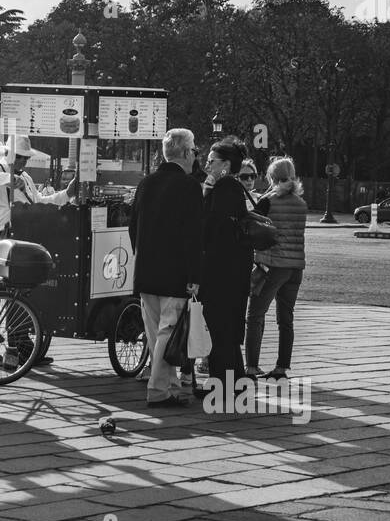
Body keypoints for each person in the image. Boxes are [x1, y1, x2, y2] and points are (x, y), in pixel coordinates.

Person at [0, 135, 76, 368]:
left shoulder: (26, 178)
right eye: (18, 157)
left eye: (24, 158)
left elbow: (39, 202)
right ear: (8, 154)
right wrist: (9, 179)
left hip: (16, 240)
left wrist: (66, 195)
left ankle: (22, 347)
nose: (21, 162)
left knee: (19, 295)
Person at [128, 128, 204, 407]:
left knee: (156, 334)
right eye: (195, 151)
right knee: (169, 333)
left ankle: (170, 387)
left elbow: (132, 226)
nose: (196, 156)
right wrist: (195, 275)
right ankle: (158, 390)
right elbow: (195, 236)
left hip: (146, 270)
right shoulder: (189, 186)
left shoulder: (146, 183)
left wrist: (144, 255)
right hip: (176, 272)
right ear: (185, 153)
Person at [199, 136, 255, 393]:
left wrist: (206, 192)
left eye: (212, 161)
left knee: (220, 325)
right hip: (235, 268)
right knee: (229, 328)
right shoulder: (234, 188)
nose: (207, 165)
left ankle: (222, 383)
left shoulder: (223, 190)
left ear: (225, 164)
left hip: (221, 269)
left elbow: (208, 225)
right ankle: (234, 381)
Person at [244, 156, 307, 379]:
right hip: (295, 266)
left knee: (255, 314)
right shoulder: (301, 203)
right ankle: (282, 366)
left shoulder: (268, 200)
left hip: (272, 265)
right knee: (285, 318)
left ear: (272, 177)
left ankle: (251, 366)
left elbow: (250, 227)